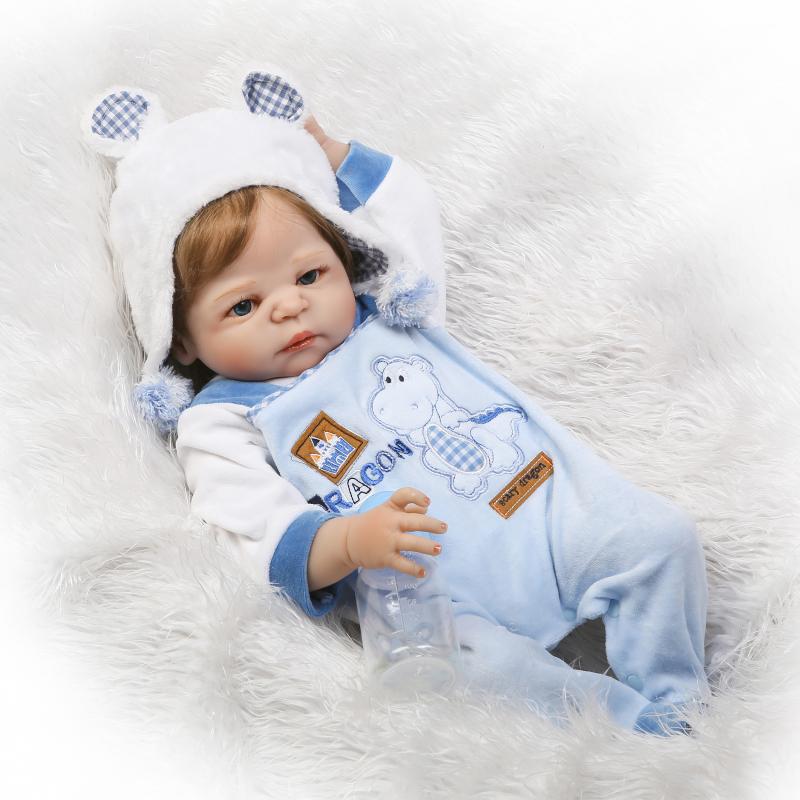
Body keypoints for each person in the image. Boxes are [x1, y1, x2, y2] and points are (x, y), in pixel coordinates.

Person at [84, 68, 709, 735]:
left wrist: (328, 153)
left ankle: (678, 702)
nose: (290, 305)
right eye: (243, 305)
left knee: (658, 537)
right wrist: (347, 542)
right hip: (432, 596)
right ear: (178, 336)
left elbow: (404, 206)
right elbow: (252, 529)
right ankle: (634, 733)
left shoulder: (397, 311)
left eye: (310, 274)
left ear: (342, 257)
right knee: (469, 670)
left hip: (543, 510)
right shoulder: (222, 421)